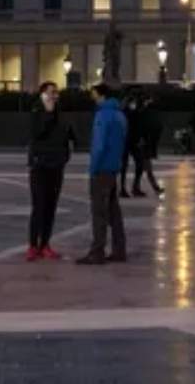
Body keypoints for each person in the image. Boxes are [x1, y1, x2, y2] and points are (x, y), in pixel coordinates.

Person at [77, 84, 128, 265]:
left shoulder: (102, 115)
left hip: (102, 169)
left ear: (102, 96)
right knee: (114, 211)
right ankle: (119, 249)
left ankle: (97, 251)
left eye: (95, 95)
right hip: (114, 167)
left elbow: (98, 145)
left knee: (99, 211)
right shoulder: (120, 115)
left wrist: (93, 168)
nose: (93, 98)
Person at [26, 82, 74, 261]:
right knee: (38, 206)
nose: (55, 96)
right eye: (51, 92)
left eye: (56, 93)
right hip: (40, 166)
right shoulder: (36, 112)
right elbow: (36, 133)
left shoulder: (60, 113)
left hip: (57, 165)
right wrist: (47, 113)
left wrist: (65, 155)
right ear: (42, 95)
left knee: (51, 207)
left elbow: (67, 134)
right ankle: (32, 245)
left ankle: (45, 244)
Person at [131, 92, 164, 198]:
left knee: (141, 167)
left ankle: (138, 187)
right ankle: (153, 187)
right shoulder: (144, 114)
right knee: (145, 167)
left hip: (142, 143)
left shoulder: (141, 113)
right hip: (143, 144)